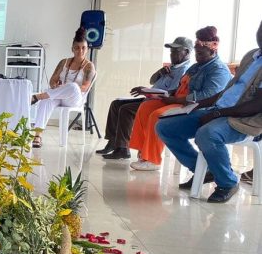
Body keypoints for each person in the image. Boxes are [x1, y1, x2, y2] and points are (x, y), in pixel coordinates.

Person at [156, 20, 262, 203]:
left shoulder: (219, 68)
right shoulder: (252, 56)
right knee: (165, 127)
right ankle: (205, 171)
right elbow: (227, 91)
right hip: (219, 109)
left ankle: (228, 182)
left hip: (246, 119)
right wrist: (198, 105)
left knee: (207, 134)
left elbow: (257, 105)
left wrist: (218, 114)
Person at [125, 26, 232, 170]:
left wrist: (175, 100)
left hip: (195, 107)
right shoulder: (196, 67)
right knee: (146, 106)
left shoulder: (218, 69)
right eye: (197, 53)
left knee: (158, 115)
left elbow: (206, 96)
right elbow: (181, 87)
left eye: (200, 53)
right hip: (179, 100)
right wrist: (159, 94)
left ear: (212, 51)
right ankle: (143, 151)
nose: (197, 56)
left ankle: (152, 159)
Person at [98, 36, 192, 158]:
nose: (172, 54)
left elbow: (171, 93)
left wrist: (146, 91)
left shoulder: (184, 70)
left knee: (126, 110)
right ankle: (113, 141)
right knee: (116, 104)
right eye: (171, 51)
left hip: (159, 102)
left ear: (187, 52)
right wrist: (160, 73)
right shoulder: (172, 67)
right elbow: (152, 80)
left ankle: (122, 148)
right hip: (150, 97)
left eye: (175, 51)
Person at [30, 27, 96, 148]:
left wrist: (66, 86)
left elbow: (85, 87)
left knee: (74, 87)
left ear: (87, 49)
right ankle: (38, 135)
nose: (80, 51)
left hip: (75, 98)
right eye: (77, 48)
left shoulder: (89, 66)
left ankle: (38, 96)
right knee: (46, 101)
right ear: (72, 49)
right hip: (59, 95)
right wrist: (55, 86)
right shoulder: (64, 62)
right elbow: (52, 81)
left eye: (83, 48)